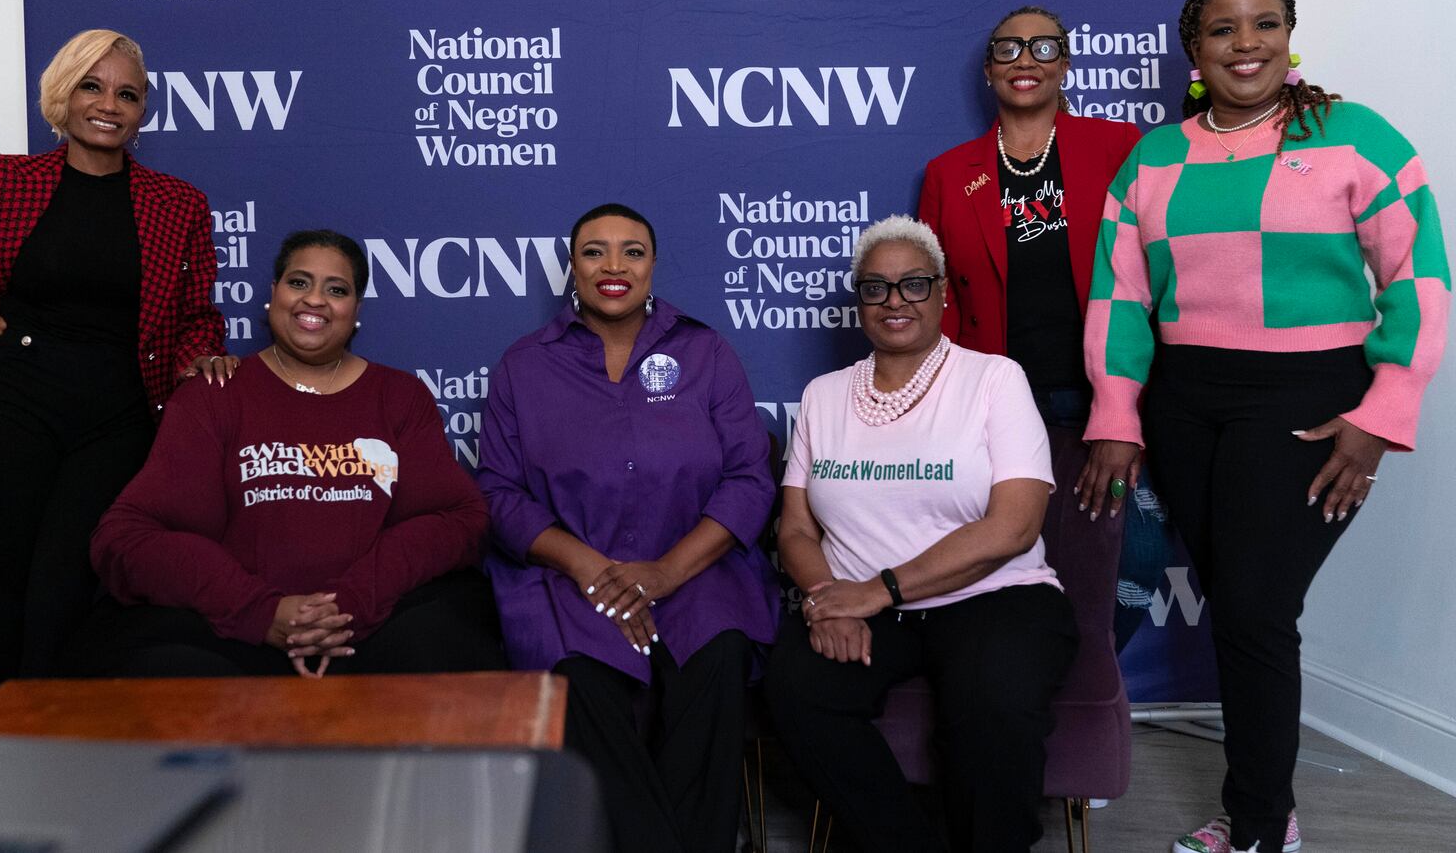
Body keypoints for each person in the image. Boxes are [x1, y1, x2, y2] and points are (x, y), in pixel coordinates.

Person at [1083, 0, 1449, 853]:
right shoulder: (1155, 156)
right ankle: (1265, 810)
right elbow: (1120, 298)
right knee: (1242, 610)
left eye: (1264, 23)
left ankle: (1255, 827)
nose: (1245, 42)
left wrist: (1380, 414)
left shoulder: (1356, 138)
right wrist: (1118, 416)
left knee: (1252, 611)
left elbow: (1421, 281)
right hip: (1187, 403)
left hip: (1307, 400)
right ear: (1194, 48)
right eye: (1223, 28)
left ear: (1290, 34)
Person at [0, 29, 229, 717]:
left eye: (127, 93)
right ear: (63, 93)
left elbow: (195, 315)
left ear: (143, 109)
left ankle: (55, 772)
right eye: (92, 85)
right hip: (0, 405)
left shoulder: (179, 203)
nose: (108, 105)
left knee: (65, 593)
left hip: (114, 420)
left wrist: (198, 357)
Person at [766, 215, 1078, 853]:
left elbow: (1014, 527)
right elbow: (795, 527)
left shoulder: (994, 379)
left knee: (994, 706)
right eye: (876, 288)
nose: (895, 301)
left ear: (943, 295)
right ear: (859, 304)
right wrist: (826, 596)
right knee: (794, 692)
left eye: (913, 284)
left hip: (994, 597)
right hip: (858, 599)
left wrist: (877, 592)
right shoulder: (823, 396)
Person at [478, 203, 779, 853]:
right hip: (571, 573)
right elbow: (498, 493)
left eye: (632, 250)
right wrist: (588, 566)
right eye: (595, 251)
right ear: (572, 267)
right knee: (582, 678)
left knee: (719, 656)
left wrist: (667, 571)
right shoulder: (523, 366)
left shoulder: (705, 350)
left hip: (694, 565)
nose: (614, 266)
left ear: (652, 264)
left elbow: (751, 477)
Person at [80, 230, 503, 679]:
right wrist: (261, 612)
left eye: (336, 290)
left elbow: (460, 518)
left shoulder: (398, 396)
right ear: (273, 295)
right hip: (235, 634)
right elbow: (125, 538)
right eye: (299, 282)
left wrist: (351, 603)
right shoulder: (213, 395)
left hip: (370, 628)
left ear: (356, 311)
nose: (315, 300)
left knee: (447, 636)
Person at [917, 5, 1167, 650]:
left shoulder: (1117, 146)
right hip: (997, 404)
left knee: (1132, 561)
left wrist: (1126, 412)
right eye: (1007, 48)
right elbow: (938, 302)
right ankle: (1027, 697)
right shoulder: (950, 172)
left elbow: (1156, 271)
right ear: (987, 70)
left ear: (1066, 63)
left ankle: (1083, 686)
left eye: (1042, 46)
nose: (1024, 59)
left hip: (1101, 400)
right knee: (1000, 564)